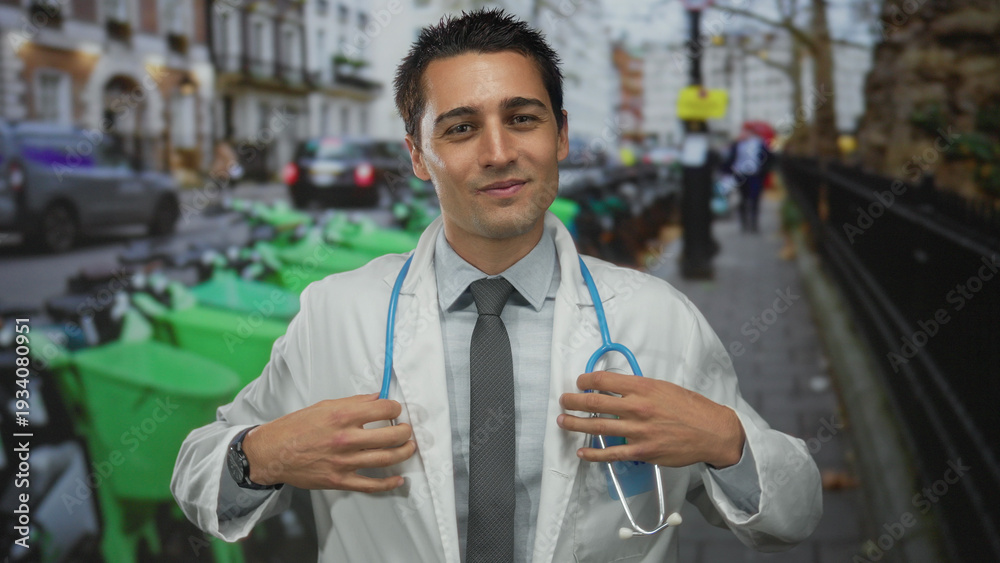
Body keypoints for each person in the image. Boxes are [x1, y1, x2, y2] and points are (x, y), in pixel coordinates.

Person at [171, 9, 821, 562]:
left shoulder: (657, 319)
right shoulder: (336, 313)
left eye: (523, 118)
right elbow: (195, 469)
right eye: (460, 127)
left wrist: (725, 440)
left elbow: (795, 513)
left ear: (561, 135)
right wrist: (259, 454)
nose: (497, 151)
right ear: (417, 156)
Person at [722, 124, 772, 233]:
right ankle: (744, 223)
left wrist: (765, 170)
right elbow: (730, 159)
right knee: (743, 199)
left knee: (755, 199)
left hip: (755, 175)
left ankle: (754, 223)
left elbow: (768, 157)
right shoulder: (738, 144)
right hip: (740, 174)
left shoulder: (759, 144)